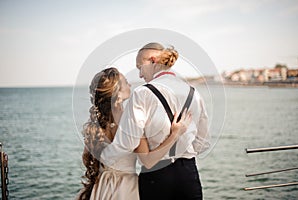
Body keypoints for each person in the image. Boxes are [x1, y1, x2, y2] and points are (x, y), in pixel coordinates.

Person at [101, 43, 210, 200]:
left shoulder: (142, 93)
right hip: (188, 175)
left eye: (140, 67)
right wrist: (182, 152)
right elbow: (203, 141)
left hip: (156, 177)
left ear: (152, 61)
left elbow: (128, 143)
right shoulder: (194, 93)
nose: (139, 74)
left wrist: (103, 157)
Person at [77, 67, 192, 200]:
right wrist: (175, 135)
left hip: (101, 187)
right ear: (117, 94)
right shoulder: (132, 120)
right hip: (124, 189)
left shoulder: (95, 125)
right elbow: (148, 160)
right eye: (126, 82)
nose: (130, 84)